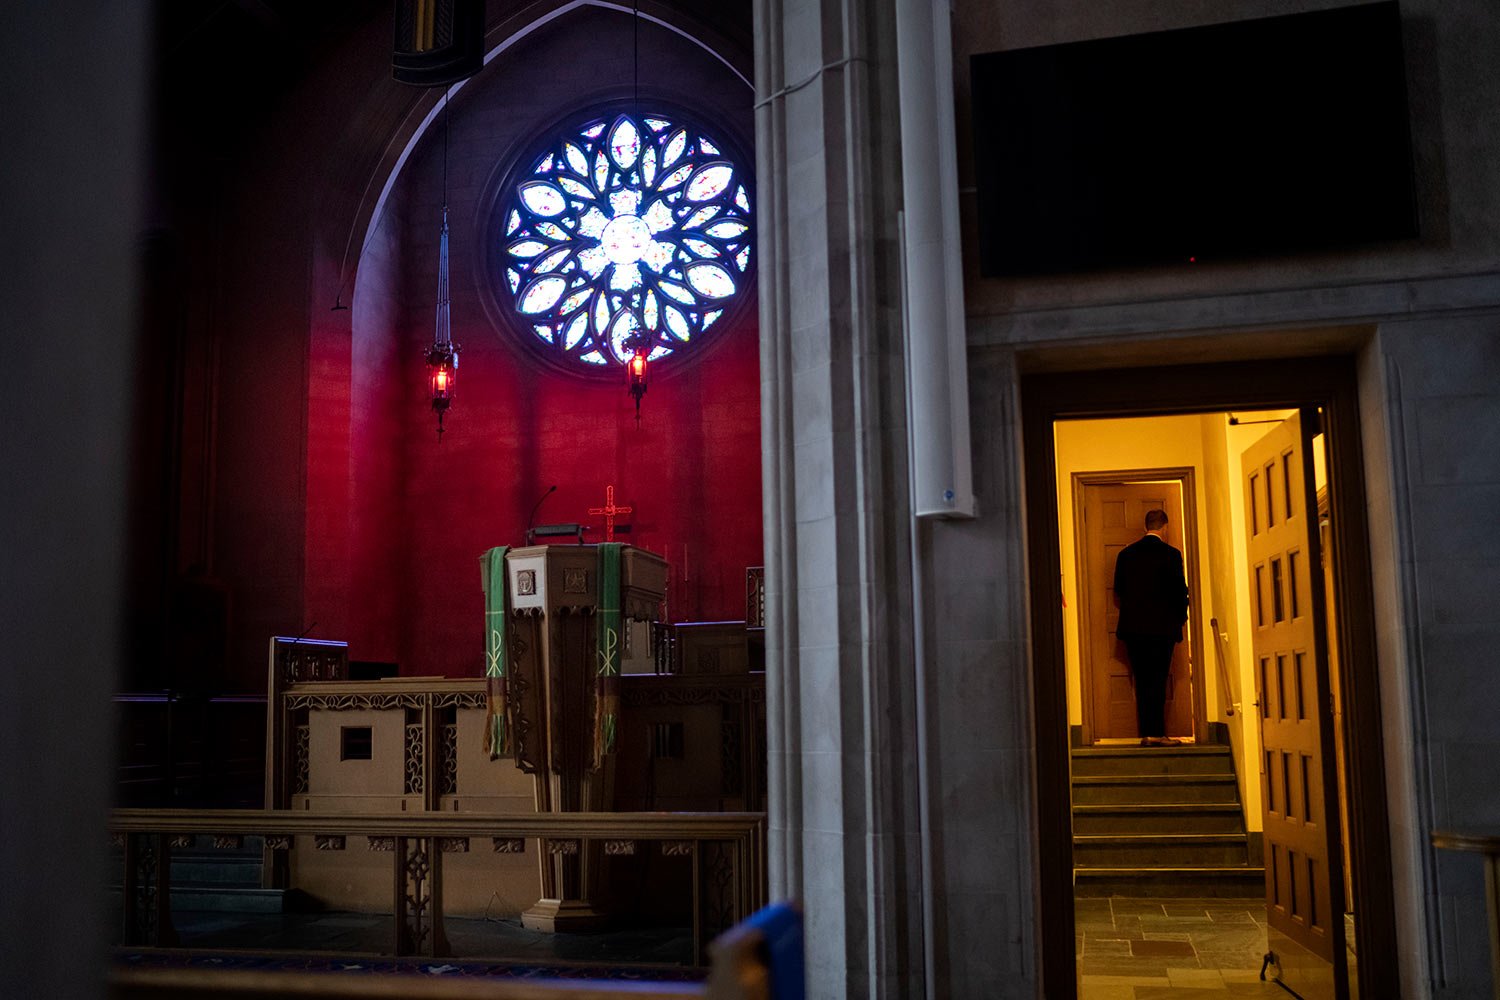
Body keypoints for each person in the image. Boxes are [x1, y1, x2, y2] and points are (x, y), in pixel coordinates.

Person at [1112, 508, 1189, 746]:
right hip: (1162, 629)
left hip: (1135, 629)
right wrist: (1180, 618)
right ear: (1164, 527)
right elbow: (1180, 592)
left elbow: (1118, 589)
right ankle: (1156, 733)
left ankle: (1147, 732)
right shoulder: (1172, 555)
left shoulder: (1126, 555)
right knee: (1158, 679)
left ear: (1146, 526)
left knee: (1143, 678)